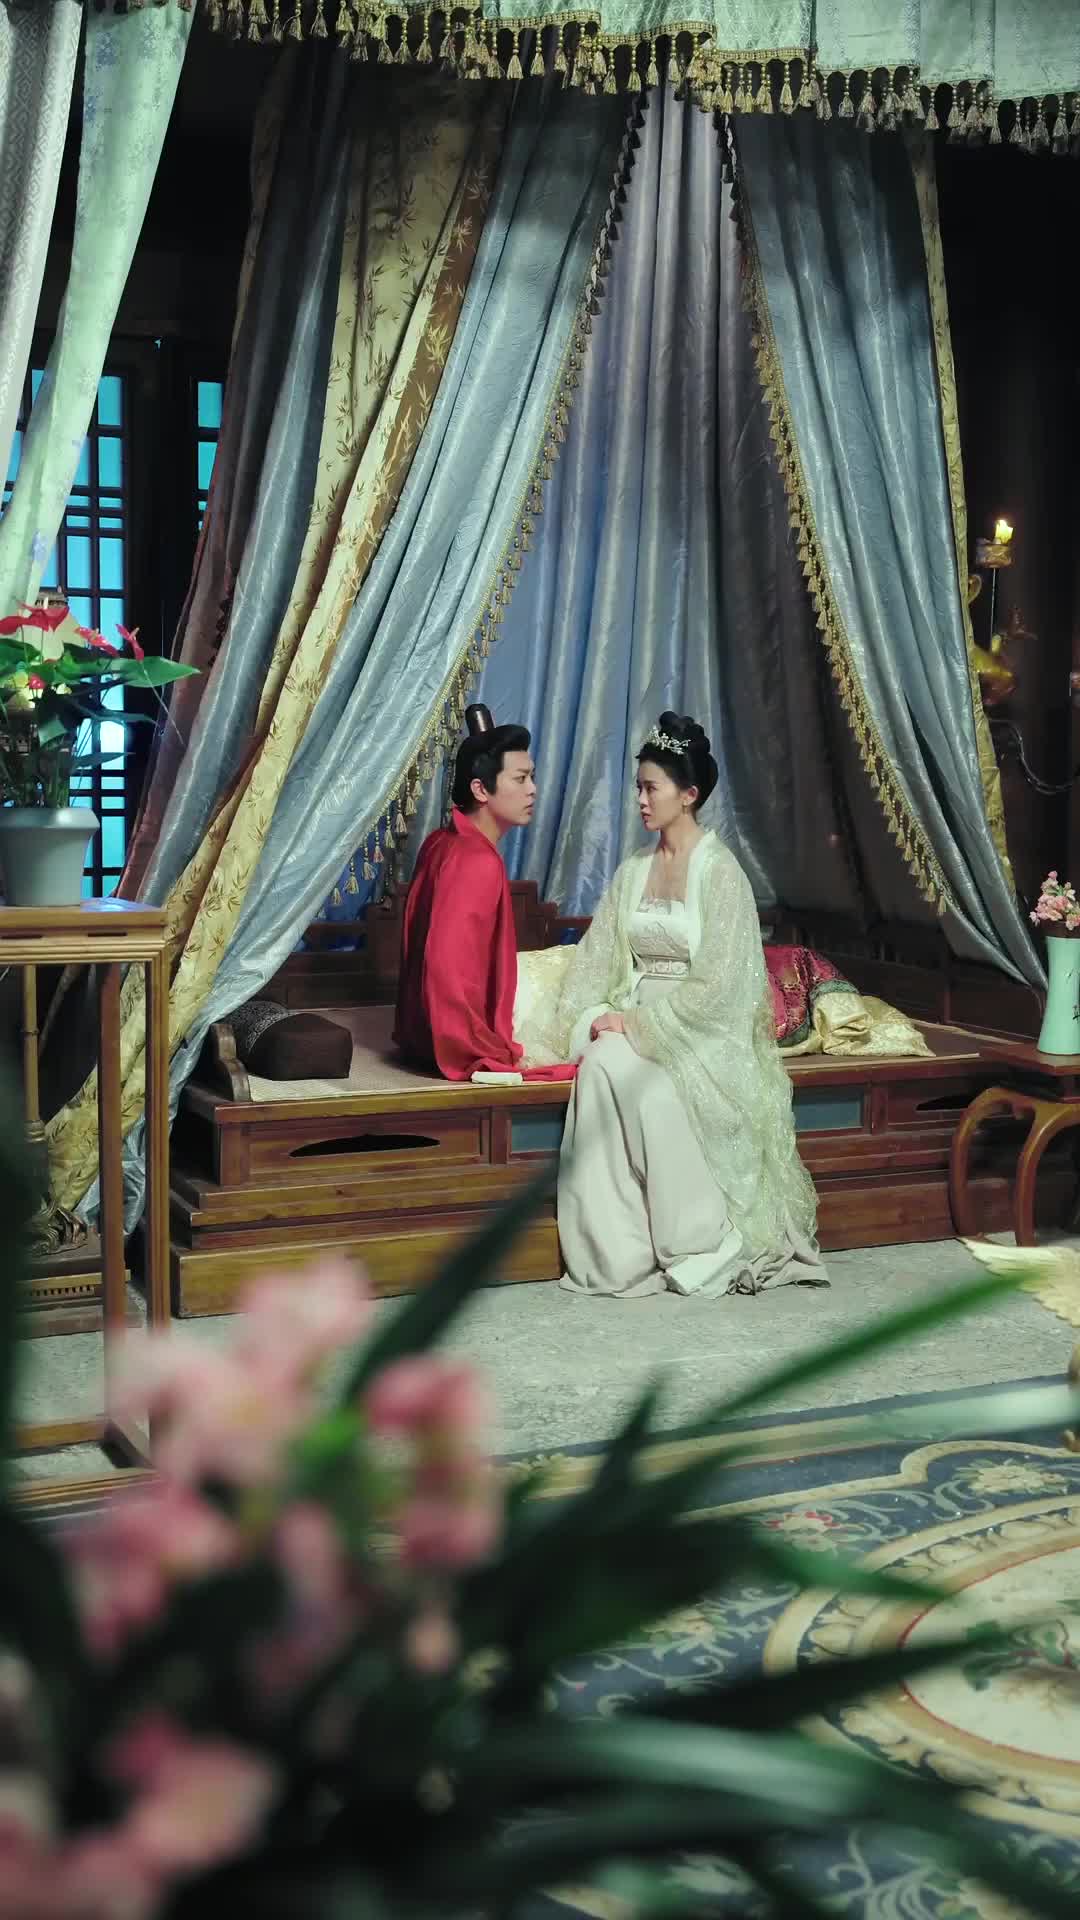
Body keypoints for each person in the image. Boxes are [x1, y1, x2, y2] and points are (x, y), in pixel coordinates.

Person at [552, 712, 827, 1298]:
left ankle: (698, 1240)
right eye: (638, 787)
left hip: (701, 1031)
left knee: (646, 1088)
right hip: (635, 1018)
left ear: (689, 794)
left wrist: (634, 1024)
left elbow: (722, 987)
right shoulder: (633, 872)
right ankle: (618, 1253)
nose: (640, 799)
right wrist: (593, 1017)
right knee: (599, 1066)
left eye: (651, 788)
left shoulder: (721, 874)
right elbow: (596, 957)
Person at [394, 705, 574, 1085]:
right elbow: (445, 968)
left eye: (532, 777)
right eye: (521, 778)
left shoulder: (442, 841)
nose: (533, 789)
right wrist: (472, 1047)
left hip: (422, 1035)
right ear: (480, 789)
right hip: (451, 1038)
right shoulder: (475, 861)